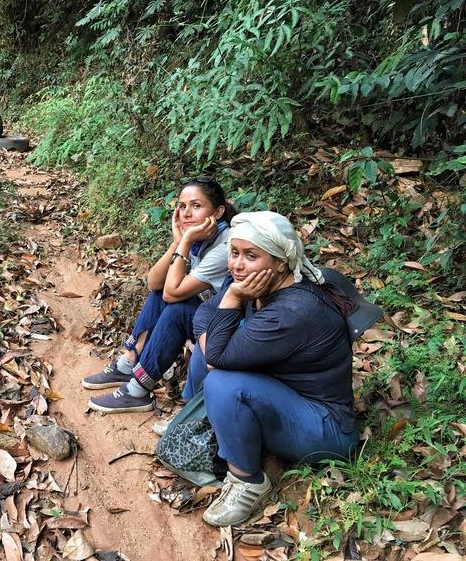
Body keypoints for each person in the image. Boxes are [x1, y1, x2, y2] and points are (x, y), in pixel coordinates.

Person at [188, 211, 358, 527]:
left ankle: (247, 481)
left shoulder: (291, 310)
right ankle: (197, 417)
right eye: (234, 252)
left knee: (222, 380)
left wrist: (234, 296)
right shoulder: (262, 286)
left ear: (281, 262)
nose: (237, 264)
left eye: (251, 256)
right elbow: (203, 313)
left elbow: (218, 357)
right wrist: (227, 307)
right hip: (289, 398)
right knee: (211, 341)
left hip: (326, 429)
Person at [84, 178, 237, 413]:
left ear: (217, 212)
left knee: (176, 308)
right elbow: (154, 282)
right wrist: (178, 243)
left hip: (228, 325)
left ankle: (138, 390)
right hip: (210, 311)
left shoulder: (224, 246)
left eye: (196, 206)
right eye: (182, 206)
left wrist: (184, 241)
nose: (186, 213)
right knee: (160, 293)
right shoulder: (197, 240)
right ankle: (128, 363)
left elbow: (172, 293)